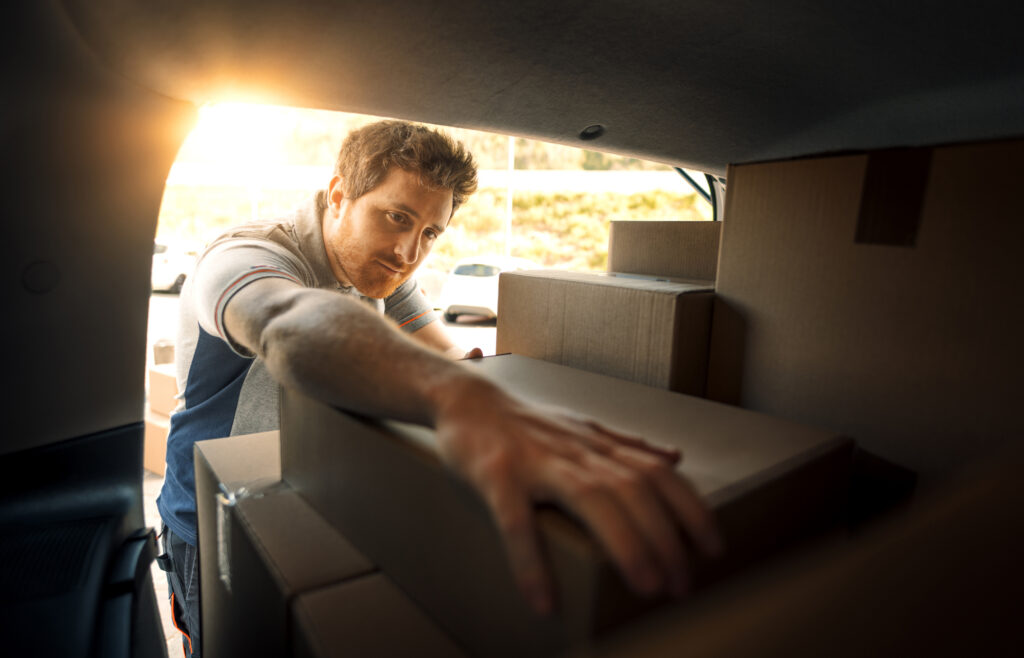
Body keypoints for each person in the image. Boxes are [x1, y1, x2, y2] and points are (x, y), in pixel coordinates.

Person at [155, 120, 722, 657]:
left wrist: (502, 399)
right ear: (339, 195)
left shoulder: (383, 271)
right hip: (210, 517)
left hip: (313, 491)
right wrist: (457, 398)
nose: (408, 252)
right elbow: (286, 321)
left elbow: (449, 356)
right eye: (396, 217)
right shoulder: (245, 255)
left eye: (430, 232)